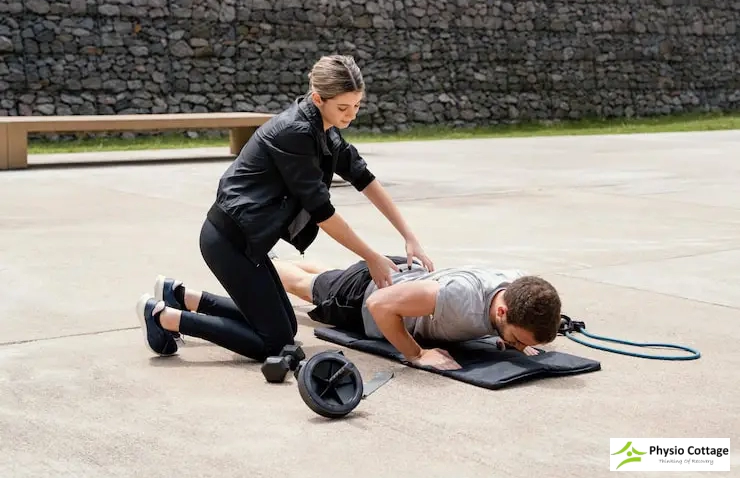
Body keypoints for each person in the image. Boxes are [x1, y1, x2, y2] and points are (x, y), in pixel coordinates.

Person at [134, 55, 434, 360]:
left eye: (357, 106)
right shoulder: (296, 132)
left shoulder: (326, 129)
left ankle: (181, 297)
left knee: (286, 328)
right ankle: (162, 317)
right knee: (275, 344)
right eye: (344, 107)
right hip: (228, 241)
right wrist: (371, 257)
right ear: (318, 99)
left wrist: (409, 236)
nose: (352, 115)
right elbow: (323, 212)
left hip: (249, 242)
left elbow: (364, 178)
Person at [139, 255, 563, 372]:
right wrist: (416, 354)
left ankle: (179, 294)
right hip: (359, 298)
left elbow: (531, 307)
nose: (514, 345)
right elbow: (380, 307)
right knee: (301, 289)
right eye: (518, 337)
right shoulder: (457, 298)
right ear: (502, 309)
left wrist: (519, 340)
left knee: (320, 274)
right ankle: (256, 265)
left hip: (403, 278)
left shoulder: (519, 284)